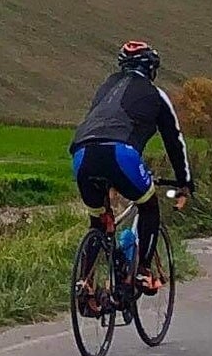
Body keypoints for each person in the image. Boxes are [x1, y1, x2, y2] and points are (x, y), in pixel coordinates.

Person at [72, 39, 193, 287]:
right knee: (149, 206)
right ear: (151, 69)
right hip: (121, 153)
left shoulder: (105, 88)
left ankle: (85, 284)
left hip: (82, 154)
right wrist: (184, 182)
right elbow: (174, 140)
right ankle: (143, 271)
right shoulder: (155, 94)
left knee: (99, 221)